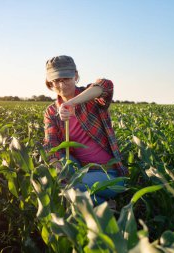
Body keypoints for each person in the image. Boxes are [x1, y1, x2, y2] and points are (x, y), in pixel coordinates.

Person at [43, 55, 128, 205]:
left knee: (72, 188)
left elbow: (106, 85)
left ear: (76, 75)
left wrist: (71, 103)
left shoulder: (91, 98)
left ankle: (102, 208)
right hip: (81, 170)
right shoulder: (51, 112)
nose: (61, 85)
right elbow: (51, 146)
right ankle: (105, 205)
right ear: (49, 81)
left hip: (108, 174)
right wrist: (59, 175)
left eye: (66, 79)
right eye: (56, 80)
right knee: (52, 178)